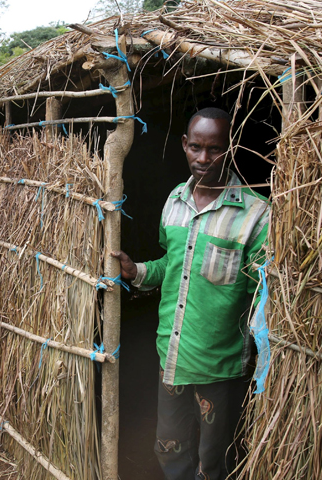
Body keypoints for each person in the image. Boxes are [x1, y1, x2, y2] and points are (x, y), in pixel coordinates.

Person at [111, 108, 269, 480]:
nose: (203, 158)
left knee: (214, 459)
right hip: (172, 356)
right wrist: (138, 272)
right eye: (196, 147)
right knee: (169, 447)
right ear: (184, 144)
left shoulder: (255, 216)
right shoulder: (174, 203)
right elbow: (172, 264)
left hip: (219, 367)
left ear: (229, 149)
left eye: (214, 149)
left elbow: (263, 300)